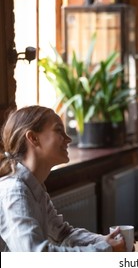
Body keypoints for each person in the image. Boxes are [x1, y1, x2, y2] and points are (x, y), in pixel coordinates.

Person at [0, 105, 126, 252]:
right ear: (33, 138)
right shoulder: (15, 192)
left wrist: (102, 240)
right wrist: (105, 250)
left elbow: (63, 234)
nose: (68, 139)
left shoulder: (34, 186)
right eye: (59, 130)